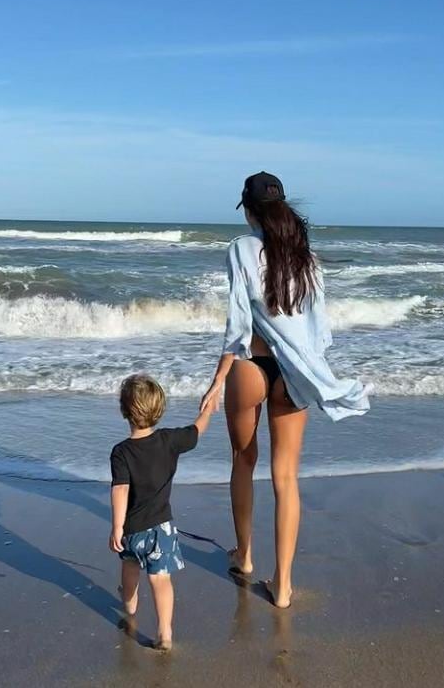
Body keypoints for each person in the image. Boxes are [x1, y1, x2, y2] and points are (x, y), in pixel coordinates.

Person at [200, 172, 371, 609]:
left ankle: (245, 556)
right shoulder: (306, 258)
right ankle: (285, 585)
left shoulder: (240, 249)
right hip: (296, 372)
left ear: (250, 210)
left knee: (243, 458)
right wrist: (313, 368)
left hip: (251, 368)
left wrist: (217, 379)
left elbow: (238, 321)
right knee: (286, 476)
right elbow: (320, 329)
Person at [109, 373, 216, 651]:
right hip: (162, 529)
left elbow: (120, 490)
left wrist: (117, 527)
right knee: (160, 579)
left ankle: (130, 605)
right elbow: (197, 431)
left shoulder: (121, 452)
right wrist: (208, 410)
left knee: (130, 567)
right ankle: (164, 632)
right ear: (159, 409)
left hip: (132, 530)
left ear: (125, 411)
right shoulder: (170, 440)